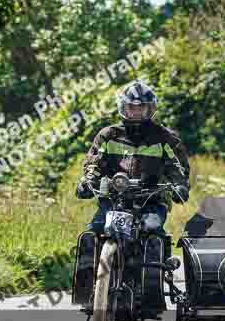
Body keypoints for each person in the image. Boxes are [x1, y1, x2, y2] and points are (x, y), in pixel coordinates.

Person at [76, 80, 190, 239]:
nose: (136, 112)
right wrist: (87, 181)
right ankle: (88, 264)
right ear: (123, 107)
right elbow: (94, 163)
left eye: (141, 108)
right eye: (132, 107)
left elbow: (178, 167)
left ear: (150, 108)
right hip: (113, 198)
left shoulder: (165, 137)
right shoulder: (108, 135)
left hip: (152, 200)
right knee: (92, 233)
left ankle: (156, 262)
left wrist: (180, 185)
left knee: (151, 231)